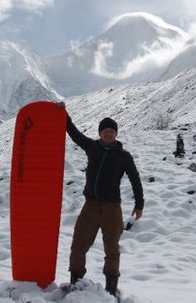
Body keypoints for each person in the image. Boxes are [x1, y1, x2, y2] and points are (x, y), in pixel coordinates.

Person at [56, 102, 144, 297]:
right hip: (90, 207)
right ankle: (76, 282)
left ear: (116, 134)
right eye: (105, 130)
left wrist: (139, 204)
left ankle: (111, 290)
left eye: (112, 130)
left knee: (112, 250)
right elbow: (73, 133)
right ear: (100, 133)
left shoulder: (124, 156)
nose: (109, 133)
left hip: (112, 209)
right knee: (78, 245)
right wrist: (64, 114)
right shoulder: (92, 148)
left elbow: (135, 179)